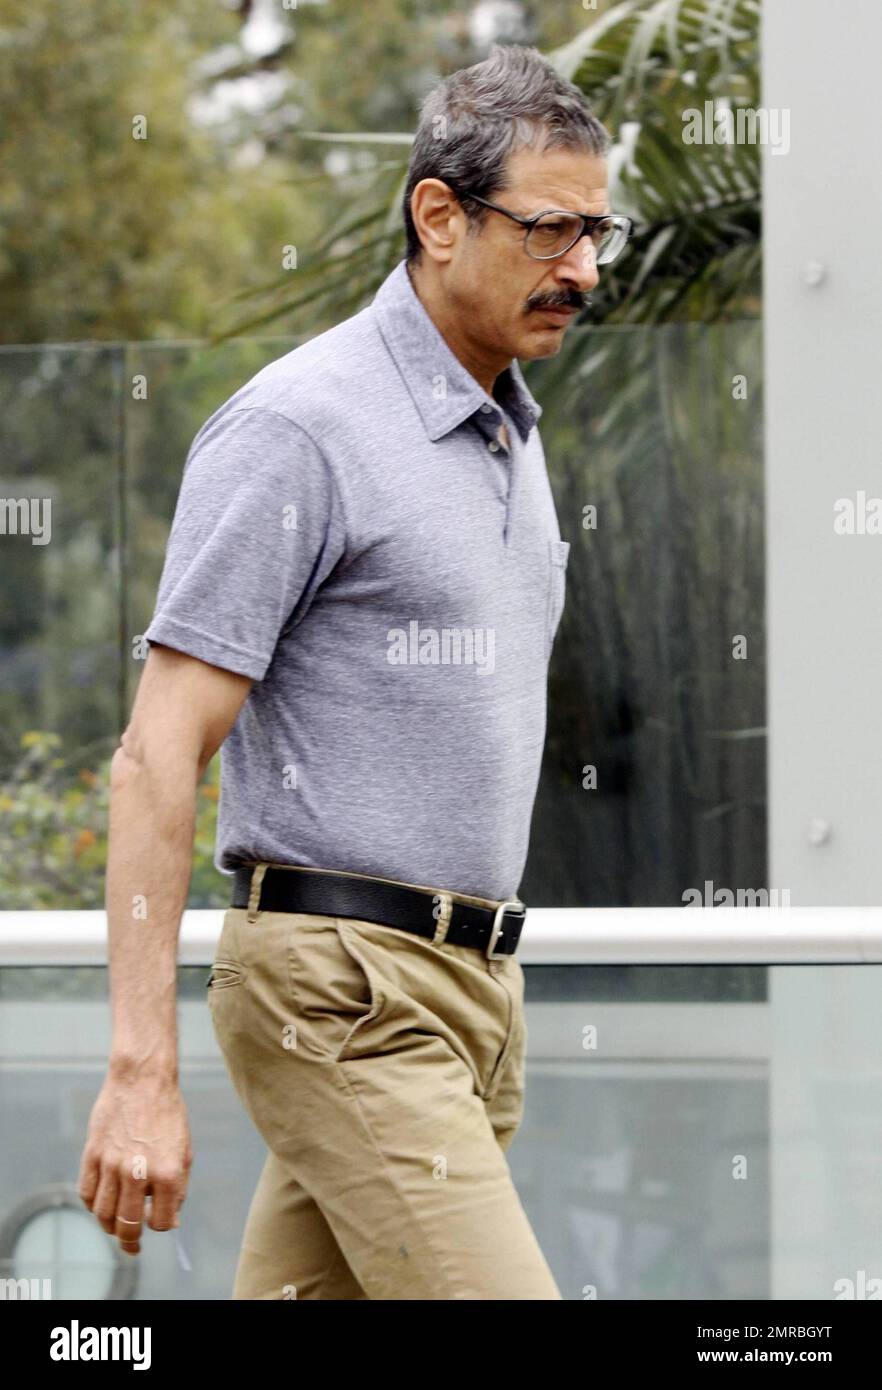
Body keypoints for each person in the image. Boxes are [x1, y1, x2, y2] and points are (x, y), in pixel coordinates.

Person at [78, 42, 630, 1299]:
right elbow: (157, 751)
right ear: (438, 216)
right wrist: (137, 1070)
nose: (583, 269)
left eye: (598, 230)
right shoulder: (302, 428)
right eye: (550, 230)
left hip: (474, 995)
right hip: (344, 996)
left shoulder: (508, 429)